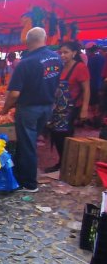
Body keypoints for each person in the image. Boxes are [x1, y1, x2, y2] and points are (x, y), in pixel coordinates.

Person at [1, 27, 62, 192]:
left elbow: (14, 93)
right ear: (45, 38)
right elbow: (57, 85)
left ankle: (29, 183)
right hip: (47, 107)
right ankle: (23, 174)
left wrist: (5, 109)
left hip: (29, 108)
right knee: (31, 141)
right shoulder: (56, 58)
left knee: (27, 145)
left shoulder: (26, 63)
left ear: (27, 41)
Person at [45, 41, 90, 173]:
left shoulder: (80, 67)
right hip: (58, 108)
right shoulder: (61, 67)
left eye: (66, 52)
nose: (62, 55)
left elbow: (86, 89)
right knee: (55, 135)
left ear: (74, 53)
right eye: (61, 52)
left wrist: (84, 108)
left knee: (64, 136)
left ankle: (66, 165)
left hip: (70, 108)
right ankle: (62, 162)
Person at [86, 43, 105, 124]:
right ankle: (98, 119)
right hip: (101, 84)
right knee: (99, 102)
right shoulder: (102, 58)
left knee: (92, 103)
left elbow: (88, 73)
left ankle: (93, 119)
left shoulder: (91, 59)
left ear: (89, 50)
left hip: (92, 84)